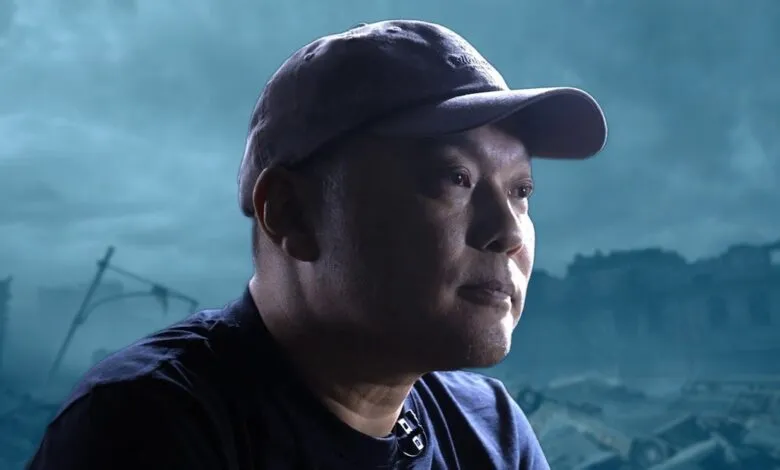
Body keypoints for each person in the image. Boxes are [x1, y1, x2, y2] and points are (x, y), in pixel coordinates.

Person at [27, 19, 607, 470]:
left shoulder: (489, 431)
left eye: (522, 191)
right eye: (453, 179)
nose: (506, 232)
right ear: (289, 212)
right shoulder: (151, 425)